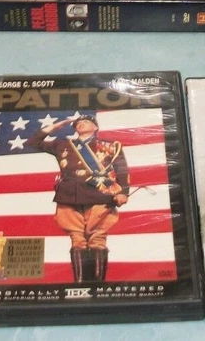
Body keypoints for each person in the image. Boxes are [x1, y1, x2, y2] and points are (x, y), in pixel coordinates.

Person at [26, 112, 129, 283]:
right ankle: (80, 284)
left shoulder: (109, 146)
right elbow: (32, 143)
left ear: (95, 127)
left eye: (86, 121)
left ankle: (98, 285)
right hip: (69, 196)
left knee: (98, 239)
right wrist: (54, 127)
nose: (81, 123)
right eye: (78, 123)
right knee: (77, 239)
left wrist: (123, 192)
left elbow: (122, 169)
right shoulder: (63, 145)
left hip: (100, 195)